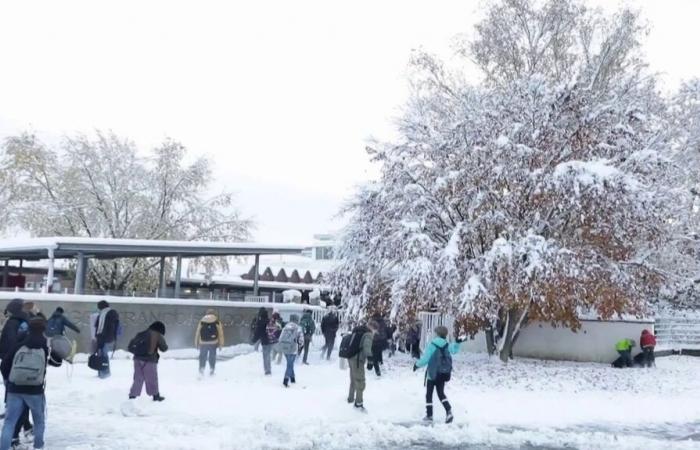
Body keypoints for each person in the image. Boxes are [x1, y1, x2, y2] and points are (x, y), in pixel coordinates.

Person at [0, 316, 63, 450]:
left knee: (9, 422)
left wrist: (9, 381)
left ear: (29, 328)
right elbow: (57, 363)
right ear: (44, 329)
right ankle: (38, 446)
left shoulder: (19, 344)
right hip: (35, 390)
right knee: (39, 421)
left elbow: (4, 364)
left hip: (15, 389)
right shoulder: (46, 346)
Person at [0, 299, 32, 446]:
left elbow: (10, 345)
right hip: (27, 366)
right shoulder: (28, 322)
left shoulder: (11, 324)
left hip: (12, 365)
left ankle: (14, 436)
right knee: (22, 398)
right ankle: (26, 427)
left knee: (14, 399)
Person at [413, 326, 461, 423]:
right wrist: (458, 343)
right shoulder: (447, 345)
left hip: (432, 373)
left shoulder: (432, 345)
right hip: (443, 373)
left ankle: (429, 415)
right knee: (441, 394)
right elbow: (454, 350)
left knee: (429, 394)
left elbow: (425, 359)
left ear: (437, 334)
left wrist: (417, 365)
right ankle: (449, 411)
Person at [129, 321, 167, 401]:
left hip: (137, 359)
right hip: (150, 360)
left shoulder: (141, 334)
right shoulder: (157, 335)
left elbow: (131, 346)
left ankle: (133, 395)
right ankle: (155, 396)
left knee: (138, 378)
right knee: (152, 378)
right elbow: (164, 348)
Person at [347, 321, 376, 411]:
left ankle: (351, 398)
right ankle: (358, 404)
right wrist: (370, 359)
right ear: (372, 328)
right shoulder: (368, 334)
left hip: (350, 357)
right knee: (360, 381)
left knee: (353, 379)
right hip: (358, 360)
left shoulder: (358, 330)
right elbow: (367, 347)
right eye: (375, 330)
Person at [277, 314, 304, 387]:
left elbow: (280, 338)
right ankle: (285, 380)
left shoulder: (285, 327)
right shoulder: (298, 328)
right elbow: (301, 340)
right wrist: (300, 347)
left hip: (285, 348)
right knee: (290, 364)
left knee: (290, 363)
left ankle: (292, 378)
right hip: (293, 348)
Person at [95, 300, 120, 379]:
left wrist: (100, 337)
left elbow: (105, 327)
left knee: (103, 354)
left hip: (104, 337)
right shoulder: (108, 314)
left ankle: (105, 372)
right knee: (101, 354)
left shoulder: (106, 314)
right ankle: (102, 371)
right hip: (105, 336)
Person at [195, 309, 224, 376]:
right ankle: (212, 369)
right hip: (213, 342)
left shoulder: (202, 321)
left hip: (203, 342)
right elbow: (220, 334)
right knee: (212, 356)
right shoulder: (216, 321)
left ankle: (201, 369)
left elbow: (198, 332)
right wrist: (221, 344)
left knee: (202, 356)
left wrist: (196, 343)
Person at [252, 308, 272, 375]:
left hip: (264, 340)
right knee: (268, 355)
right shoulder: (269, 320)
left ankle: (267, 370)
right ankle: (269, 369)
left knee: (265, 355)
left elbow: (258, 332)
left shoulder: (260, 322)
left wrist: (253, 340)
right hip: (270, 340)